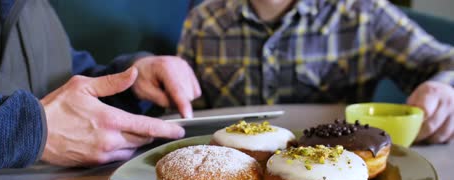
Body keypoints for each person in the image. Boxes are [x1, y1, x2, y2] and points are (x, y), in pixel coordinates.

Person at [177, 0, 454, 144]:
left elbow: (445, 62)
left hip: (339, 176)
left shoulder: (364, 13)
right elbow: (190, 120)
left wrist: (444, 88)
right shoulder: (203, 20)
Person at [0, 0, 201, 170]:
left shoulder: (34, 7)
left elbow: (66, 85)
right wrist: (30, 130)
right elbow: (50, 119)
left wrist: (132, 82)